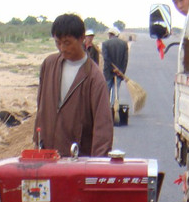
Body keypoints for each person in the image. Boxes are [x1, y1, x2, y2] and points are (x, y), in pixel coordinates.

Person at [33, 13, 114, 157]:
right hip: (46, 156)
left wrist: (96, 166)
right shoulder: (49, 65)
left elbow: (103, 127)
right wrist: (37, 142)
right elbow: (41, 108)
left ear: (81, 38)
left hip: (76, 162)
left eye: (67, 42)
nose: (62, 48)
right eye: (58, 42)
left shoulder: (94, 78)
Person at [101, 27, 129, 106]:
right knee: (116, 92)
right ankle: (114, 108)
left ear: (110, 34)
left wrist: (112, 69)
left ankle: (106, 109)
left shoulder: (105, 44)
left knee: (106, 92)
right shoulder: (124, 44)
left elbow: (106, 59)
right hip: (119, 73)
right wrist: (121, 71)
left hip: (108, 73)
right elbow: (125, 60)